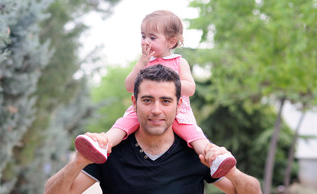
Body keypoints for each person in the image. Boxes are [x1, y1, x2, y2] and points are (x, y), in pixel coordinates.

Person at [42, 64, 263, 194]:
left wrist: (232, 172)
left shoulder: (197, 154)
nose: (156, 109)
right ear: (134, 102)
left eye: (165, 101)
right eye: (147, 100)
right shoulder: (107, 152)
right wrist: (77, 162)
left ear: (179, 105)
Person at [75, 10, 235, 178]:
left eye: (152, 37)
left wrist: (167, 82)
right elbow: (129, 86)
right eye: (143, 36)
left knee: (195, 137)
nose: (145, 41)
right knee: (122, 124)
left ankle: (214, 157)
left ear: (171, 41)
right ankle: (102, 144)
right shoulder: (145, 62)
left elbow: (190, 88)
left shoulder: (179, 62)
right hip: (145, 110)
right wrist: (141, 63)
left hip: (178, 112)